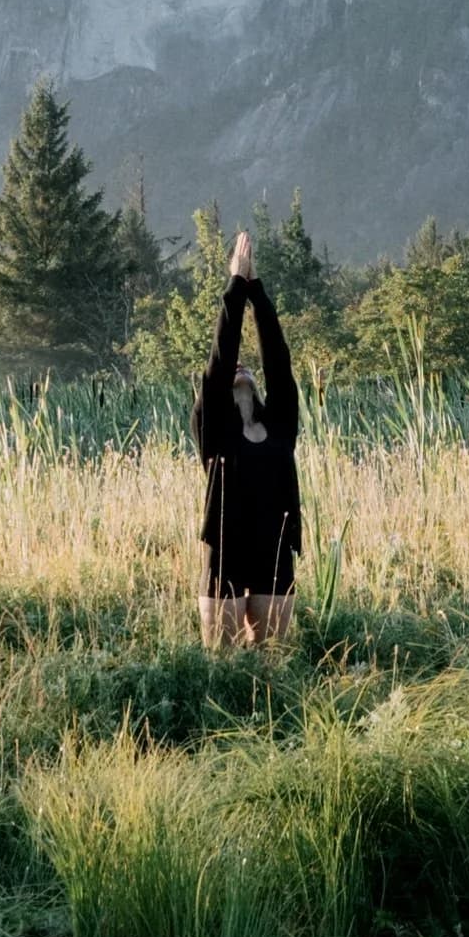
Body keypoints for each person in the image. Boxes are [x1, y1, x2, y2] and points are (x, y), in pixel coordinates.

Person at [192, 226, 301, 646]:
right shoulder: (215, 430)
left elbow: (278, 360)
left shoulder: (278, 427)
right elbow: (220, 360)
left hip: (274, 547)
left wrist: (257, 291)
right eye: (236, 369)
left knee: (272, 659)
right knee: (223, 661)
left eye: (247, 368)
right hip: (226, 546)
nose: (241, 368)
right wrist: (235, 283)